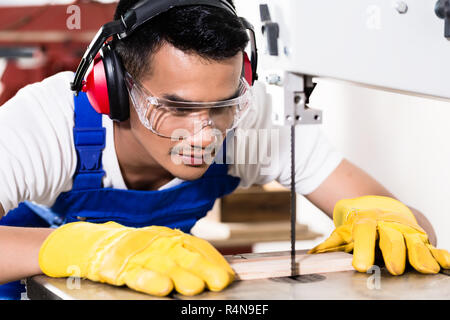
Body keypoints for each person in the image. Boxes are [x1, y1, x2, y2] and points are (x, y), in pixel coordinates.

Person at [0, 0, 447, 300]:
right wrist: (83, 248)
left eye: (222, 106)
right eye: (174, 107)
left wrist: (387, 218)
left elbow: (414, 222)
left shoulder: (252, 117)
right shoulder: (47, 122)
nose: (203, 135)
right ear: (112, 88)